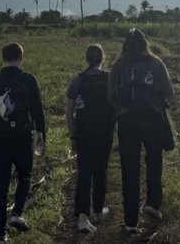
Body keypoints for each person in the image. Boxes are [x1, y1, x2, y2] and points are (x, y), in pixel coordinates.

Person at [0, 42, 46, 243]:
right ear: (21, 57)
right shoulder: (28, 79)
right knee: (25, 175)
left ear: (3, 58)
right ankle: (16, 212)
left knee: (0, 185)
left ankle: (0, 234)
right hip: (22, 137)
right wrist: (41, 134)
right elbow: (37, 110)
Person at [108, 28, 174, 232]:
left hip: (127, 120)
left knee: (129, 167)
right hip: (152, 118)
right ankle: (153, 204)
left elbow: (111, 96)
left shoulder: (118, 65)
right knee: (154, 160)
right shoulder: (156, 63)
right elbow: (168, 92)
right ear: (145, 43)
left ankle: (130, 220)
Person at [65, 44, 115, 233]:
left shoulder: (77, 81)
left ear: (86, 59)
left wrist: (73, 135)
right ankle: (98, 210)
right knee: (101, 169)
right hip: (104, 132)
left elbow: (70, 112)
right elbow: (115, 106)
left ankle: (82, 215)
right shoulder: (110, 79)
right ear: (102, 58)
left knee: (84, 171)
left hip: (84, 133)